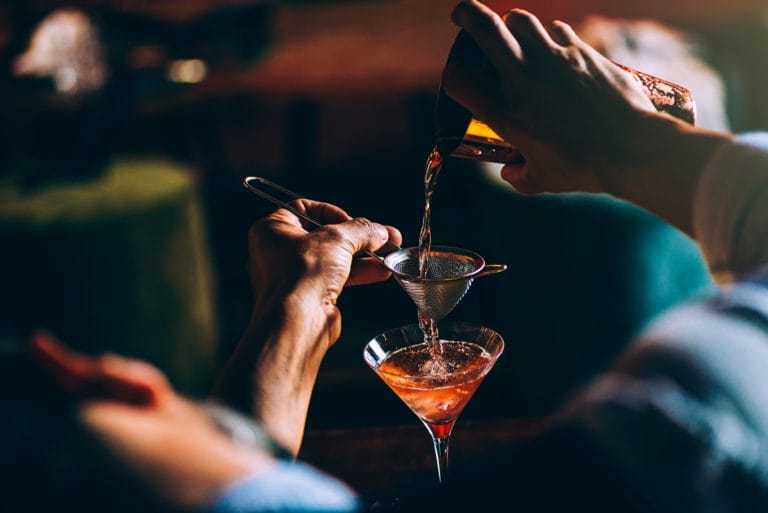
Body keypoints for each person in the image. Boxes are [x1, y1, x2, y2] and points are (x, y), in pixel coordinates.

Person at [6, 1, 768, 511]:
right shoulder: (683, 431)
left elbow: (257, 468)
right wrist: (645, 150)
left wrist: (291, 308)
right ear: (111, 381)